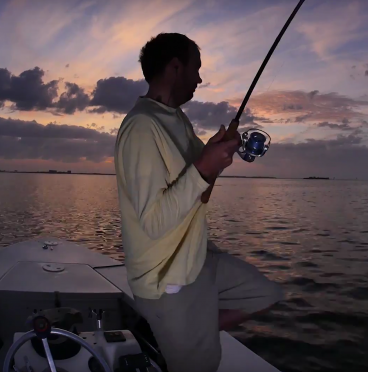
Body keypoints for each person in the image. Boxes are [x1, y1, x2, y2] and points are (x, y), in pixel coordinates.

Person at [113, 33, 284, 372]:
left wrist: (213, 158)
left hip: (196, 257)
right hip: (168, 279)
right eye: (196, 69)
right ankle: (180, 333)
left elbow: (198, 193)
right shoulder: (143, 126)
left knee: (267, 294)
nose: (200, 79)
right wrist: (205, 164)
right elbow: (155, 221)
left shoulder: (176, 119)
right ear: (175, 68)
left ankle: (187, 331)